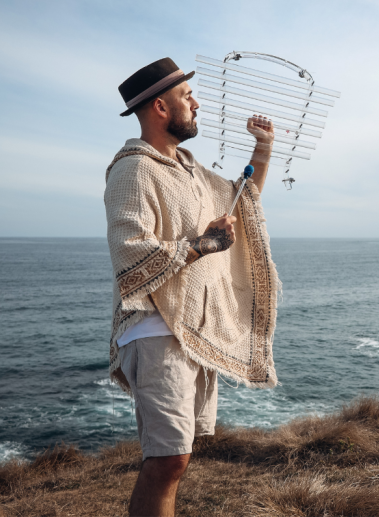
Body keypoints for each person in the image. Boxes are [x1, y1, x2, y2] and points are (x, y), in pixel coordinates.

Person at [105, 57, 281, 517]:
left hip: (187, 330)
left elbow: (244, 200)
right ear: (160, 107)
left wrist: (261, 150)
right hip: (152, 327)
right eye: (187, 97)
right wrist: (201, 245)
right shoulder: (133, 171)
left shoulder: (189, 170)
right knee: (166, 460)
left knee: (177, 459)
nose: (196, 104)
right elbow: (130, 252)